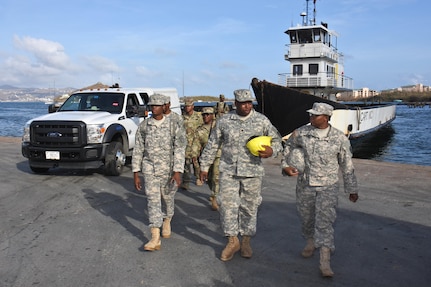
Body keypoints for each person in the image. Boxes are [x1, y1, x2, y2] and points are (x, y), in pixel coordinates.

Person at [199, 89, 282, 261]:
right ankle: (232, 240)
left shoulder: (261, 121)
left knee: (249, 208)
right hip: (229, 171)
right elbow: (213, 144)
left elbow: (277, 140)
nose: (247, 106)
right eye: (243, 103)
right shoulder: (224, 121)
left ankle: (246, 241)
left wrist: (272, 150)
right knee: (227, 207)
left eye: (249, 103)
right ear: (235, 103)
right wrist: (204, 166)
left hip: (252, 172)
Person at [281, 102, 359, 277]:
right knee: (306, 218)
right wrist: (286, 165)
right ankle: (310, 242)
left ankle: (325, 261)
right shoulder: (301, 133)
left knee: (325, 222)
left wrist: (351, 189)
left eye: (315, 115)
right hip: (305, 184)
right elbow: (288, 147)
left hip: (328, 187)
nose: (311, 118)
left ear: (326, 117)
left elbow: (347, 165)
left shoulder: (339, 138)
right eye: (311, 114)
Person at [132, 94, 186, 251]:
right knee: (153, 201)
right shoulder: (144, 126)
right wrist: (136, 172)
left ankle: (167, 219)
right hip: (150, 169)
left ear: (164, 106)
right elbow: (138, 149)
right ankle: (155, 237)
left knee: (168, 198)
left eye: (157, 105)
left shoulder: (173, 125)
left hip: (168, 170)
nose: (153, 108)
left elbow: (180, 148)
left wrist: (177, 171)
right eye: (151, 106)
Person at [190, 106, 221, 211]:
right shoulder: (199, 130)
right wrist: (194, 155)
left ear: (213, 115)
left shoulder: (219, 127)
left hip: (219, 155)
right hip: (206, 157)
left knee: (216, 177)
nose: (206, 116)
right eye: (204, 115)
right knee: (210, 178)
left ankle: (215, 198)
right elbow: (196, 144)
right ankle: (213, 191)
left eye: (208, 114)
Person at [182, 98, 204, 189]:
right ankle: (185, 182)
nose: (187, 108)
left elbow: (202, 128)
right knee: (186, 163)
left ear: (193, 106)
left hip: (196, 143)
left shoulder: (198, 117)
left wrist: (201, 142)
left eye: (189, 106)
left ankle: (198, 178)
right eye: (186, 106)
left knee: (196, 162)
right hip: (186, 143)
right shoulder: (182, 117)